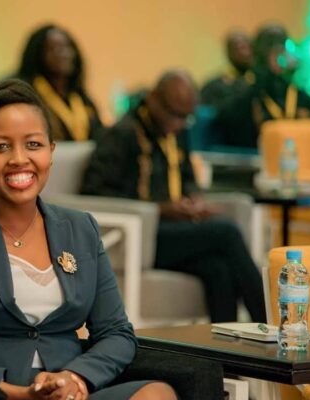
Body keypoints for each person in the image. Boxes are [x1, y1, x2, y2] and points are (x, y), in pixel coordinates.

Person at [0, 79, 177, 400]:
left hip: (65, 393)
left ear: (51, 151)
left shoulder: (80, 228)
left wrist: (76, 378)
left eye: (33, 144)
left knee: (157, 394)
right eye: (0, 147)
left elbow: (116, 333)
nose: (19, 158)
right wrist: (12, 393)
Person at [82, 70, 266, 324]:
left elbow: (187, 177)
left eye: (186, 117)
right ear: (153, 99)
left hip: (174, 230)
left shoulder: (177, 132)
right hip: (138, 235)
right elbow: (95, 191)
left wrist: (194, 199)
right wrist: (160, 209)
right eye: (174, 114)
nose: (179, 124)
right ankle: (269, 323)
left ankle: (222, 347)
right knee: (227, 232)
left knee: (218, 269)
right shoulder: (122, 134)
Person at [215, 24, 310, 149]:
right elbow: (224, 117)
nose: (281, 57)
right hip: (253, 152)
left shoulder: (289, 87)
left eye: (282, 50)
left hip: (291, 151)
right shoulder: (246, 84)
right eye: (275, 52)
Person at [16, 24, 103, 142]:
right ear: (38, 54)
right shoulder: (27, 97)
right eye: (55, 48)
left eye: (68, 47)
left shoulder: (81, 98)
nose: (65, 54)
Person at [201, 30, 255, 109]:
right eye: (239, 49)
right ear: (229, 53)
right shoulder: (214, 87)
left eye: (247, 47)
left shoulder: (261, 79)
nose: (245, 53)